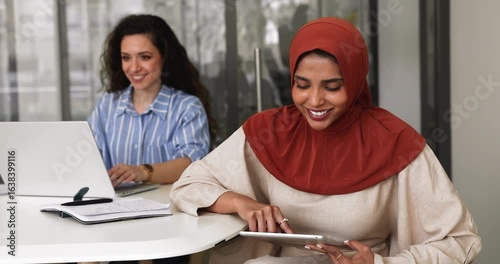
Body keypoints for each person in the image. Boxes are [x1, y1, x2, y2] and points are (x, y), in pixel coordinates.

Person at [169, 17, 482, 263]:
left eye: (332, 86)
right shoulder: (268, 131)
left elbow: (461, 241)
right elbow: (187, 187)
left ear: (357, 81)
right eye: (301, 84)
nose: (314, 100)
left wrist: (380, 263)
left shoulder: (395, 141)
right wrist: (243, 204)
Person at [87, 14, 218, 188]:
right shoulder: (106, 107)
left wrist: (142, 172)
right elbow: (87, 160)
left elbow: (192, 164)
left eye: (145, 57)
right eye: (126, 58)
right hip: (115, 209)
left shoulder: (187, 108)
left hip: (170, 210)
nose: (134, 68)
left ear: (164, 58)